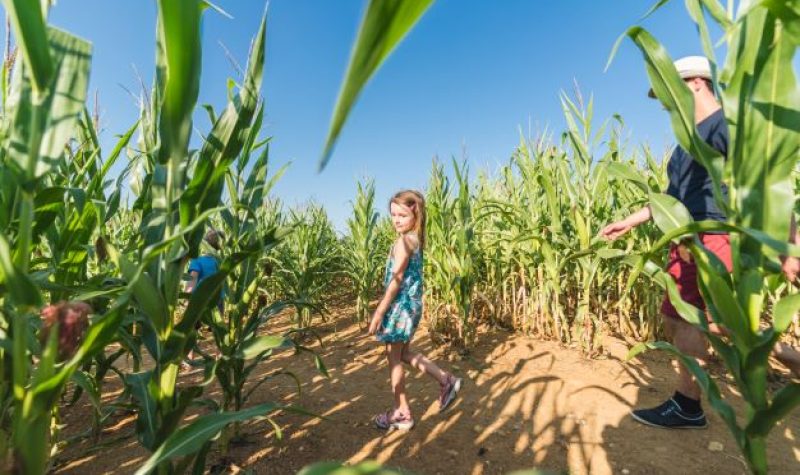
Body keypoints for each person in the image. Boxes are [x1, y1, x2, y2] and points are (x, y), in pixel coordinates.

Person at [600, 56, 800, 429]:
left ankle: (687, 405)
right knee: (675, 318)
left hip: (717, 236)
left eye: (666, 92)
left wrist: (791, 243)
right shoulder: (683, 147)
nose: (663, 102)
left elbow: (766, 180)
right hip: (685, 240)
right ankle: (786, 357)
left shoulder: (725, 126)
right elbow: (669, 200)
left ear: (694, 83)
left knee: (698, 321)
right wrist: (629, 221)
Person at [368, 190, 462, 430]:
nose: (396, 219)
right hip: (411, 307)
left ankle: (402, 412)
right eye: (393, 214)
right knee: (403, 354)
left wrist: (379, 312)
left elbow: (396, 280)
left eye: (402, 215)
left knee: (393, 358)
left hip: (400, 307)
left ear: (416, 215)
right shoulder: (415, 241)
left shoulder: (403, 242)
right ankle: (446, 380)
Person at [184, 228, 225, 366]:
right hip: (218, 299)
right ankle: (220, 357)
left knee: (192, 329)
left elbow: (192, 279)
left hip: (200, 300)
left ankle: (189, 359)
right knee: (218, 330)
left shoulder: (197, 261)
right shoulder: (220, 262)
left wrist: (187, 296)